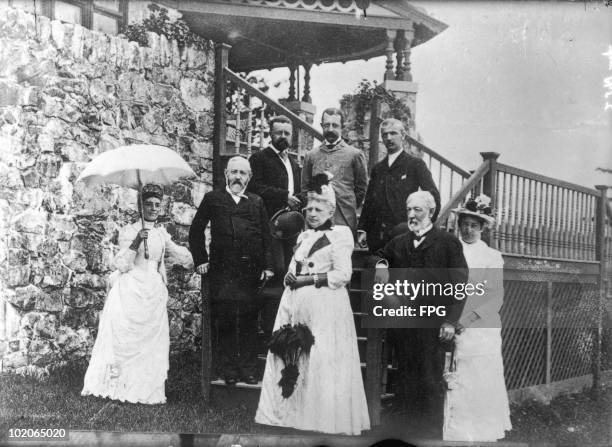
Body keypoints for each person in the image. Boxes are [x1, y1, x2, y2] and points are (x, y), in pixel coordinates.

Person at [255, 175, 370, 435]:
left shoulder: (340, 235)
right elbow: (296, 266)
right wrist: (289, 276)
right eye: (309, 208)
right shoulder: (304, 235)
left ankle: (319, 417)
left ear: (331, 210)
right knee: (291, 354)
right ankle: (287, 414)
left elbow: (342, 275)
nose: (313, 213)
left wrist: (307, 279)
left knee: (320, 358)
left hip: (325, 309)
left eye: (319, 209)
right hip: (296, 305)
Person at [81, 183, 193, 404]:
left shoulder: (161, 233)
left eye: (156, 205)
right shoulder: (129, 231)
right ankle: (117, 385)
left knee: (150, 343)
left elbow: (181, 255)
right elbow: (121, 263)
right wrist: (136, 241)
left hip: (153, 290)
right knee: (125, 339)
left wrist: (200, 257)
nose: (152, 208)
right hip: (130, 290)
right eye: (148, 204)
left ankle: (147, 388)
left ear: (161, 208)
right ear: (141, 206)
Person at [374, 190, 468, 437]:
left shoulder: (448, 243)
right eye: (409, 210)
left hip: (433, 323)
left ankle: (430, 435)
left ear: (431, 212)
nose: (412, 215)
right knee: (404, 378)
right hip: (404, 323)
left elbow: (460, 284)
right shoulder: (400, 242)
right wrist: (382, 266)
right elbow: (381, 255)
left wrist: (450, 320)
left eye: (418, 210)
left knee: (429, 379)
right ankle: (406, 433)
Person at [188, 156, 274, 386]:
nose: (238, 177)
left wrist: (268, 266)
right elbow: (195, 230)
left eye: (242, 173)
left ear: (249, 177)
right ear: (226, 174)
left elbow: (267, 236)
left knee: (248, 322)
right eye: (234, 172)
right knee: (224, 321)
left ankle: (247, 369)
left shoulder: (256, 202)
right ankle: (227, 370)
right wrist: (201, 260)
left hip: (250, 274)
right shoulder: (213, 198)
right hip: (223, 272)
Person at [443, 195, 512, 442]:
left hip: (480, 324)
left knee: (478, 375)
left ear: (482, 228)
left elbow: (495, 298)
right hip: (451, 318)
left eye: (474, 225)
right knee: (453, 373)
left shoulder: (491, 256)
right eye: (465, 224)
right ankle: (454, 429)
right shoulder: (450, 249)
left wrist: (468, 319)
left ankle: (480, 430)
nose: (468, 229)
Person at [358, 118, 440, 253]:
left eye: (393, 133)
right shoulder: (378, 168)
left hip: (403, 234)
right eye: (384, 134)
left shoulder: (415, 164)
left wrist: (424, 225)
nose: (389, 138)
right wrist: (363, 228)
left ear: (403, 136)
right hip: (377, 236)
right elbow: (369, 201)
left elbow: (433, 196)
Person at [248, 115, 302, 278]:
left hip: (291, 224)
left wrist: (298, 199)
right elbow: (253, 187)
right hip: (269, 223)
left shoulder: (292, 162)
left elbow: (297, 188)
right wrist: (284, 197)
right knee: (276, 269)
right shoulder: (259, 158)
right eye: (279, 133)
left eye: (287, 133)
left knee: (291, 268)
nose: (283, 136)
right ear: (270, 134)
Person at [301, 107, 368, 234]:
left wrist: (346, 205)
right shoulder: (311, 155)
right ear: (321, 126)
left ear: (342, 127)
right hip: (317, 222)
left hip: (343, 220)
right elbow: (305, 189)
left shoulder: (354, 154)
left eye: (335, 125)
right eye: (326, 125)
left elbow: (361, 189)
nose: (330, 129)